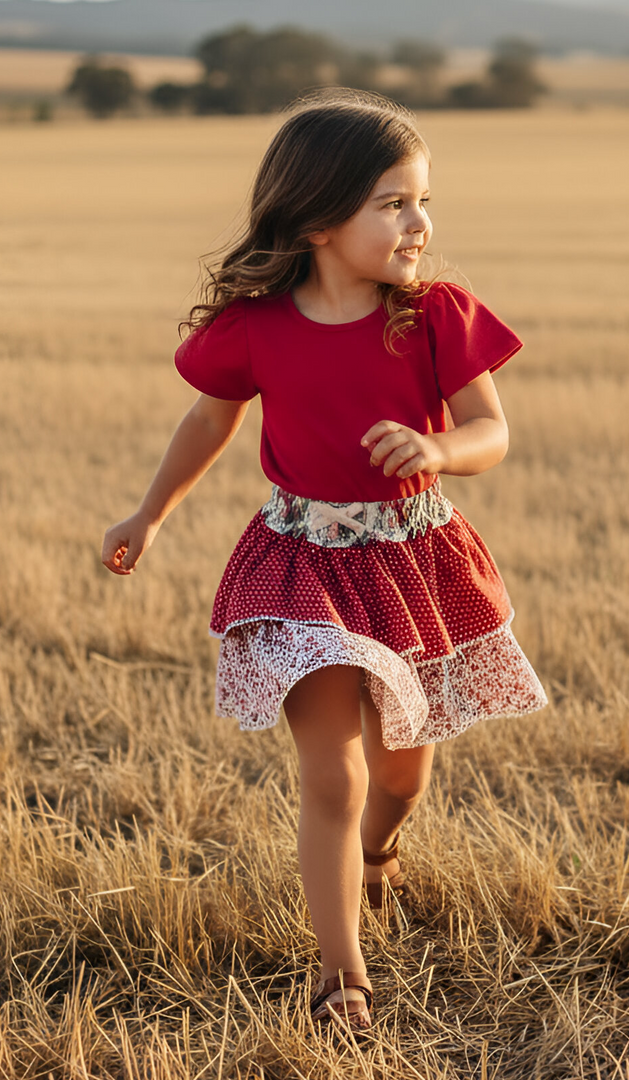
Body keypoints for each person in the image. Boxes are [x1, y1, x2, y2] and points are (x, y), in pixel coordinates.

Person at [101, 90, 547, 1032]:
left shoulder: (435, 316)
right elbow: (207, 421)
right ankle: (339, 970)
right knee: (334, 778)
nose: (419, 224)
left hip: (413, 559)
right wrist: (149, 512)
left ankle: (382, 852)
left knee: (399, 779)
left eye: (423, 200)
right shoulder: (257, 326)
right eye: (392, 203)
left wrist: (438, 451)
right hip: (302, 562)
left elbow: (490, 432)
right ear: (316, 220)